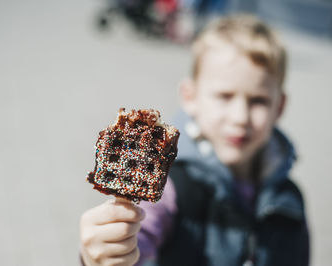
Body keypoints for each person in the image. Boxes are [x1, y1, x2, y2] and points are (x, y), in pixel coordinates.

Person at [80, 15, 310, 266]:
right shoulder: (172, 189)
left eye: (259, 101)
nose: (240, 117)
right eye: (225, 96)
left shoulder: (289, 200)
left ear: (280, 107)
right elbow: (140, 240)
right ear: (190, 97)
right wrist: (109, 253)